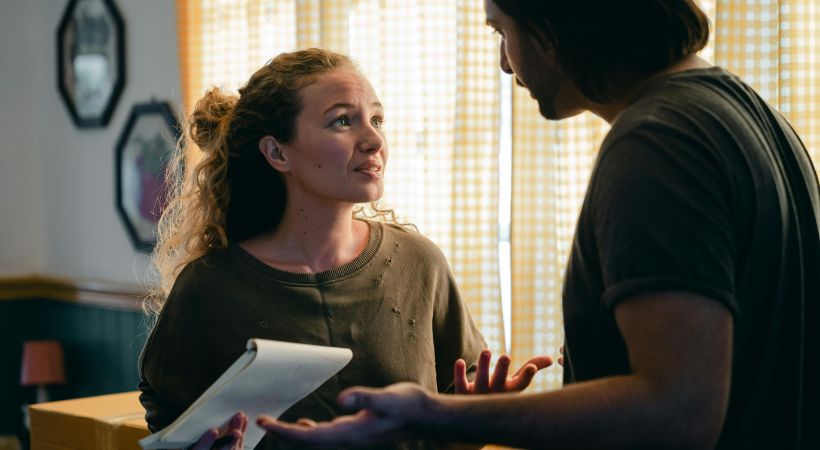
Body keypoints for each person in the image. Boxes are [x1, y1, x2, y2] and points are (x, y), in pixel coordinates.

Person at [257, 1, 820, 449]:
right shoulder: (750, 113)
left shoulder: (658, 143)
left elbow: (679, 413)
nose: (505, 62)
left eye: (504, 32)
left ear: (553, 24)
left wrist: (436, 414)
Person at [137, 48, 551, 450]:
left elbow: (450, 426)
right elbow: (167, 414)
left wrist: (477, 418)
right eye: (342, 121)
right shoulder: (209, 287)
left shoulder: (420, 263)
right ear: (277, 152)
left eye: (376, 119)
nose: (374, 140)